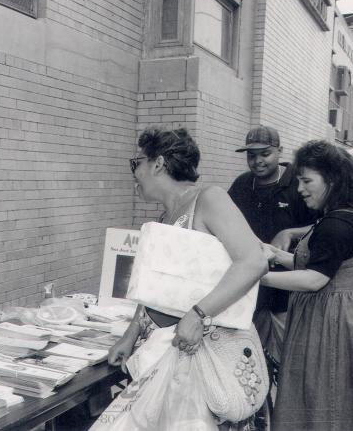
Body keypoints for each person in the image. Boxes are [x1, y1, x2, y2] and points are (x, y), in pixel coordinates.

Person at [103, 127, 267, 429]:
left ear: (158, 163)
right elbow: (156, 290)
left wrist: (198, 313)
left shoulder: (209, 199)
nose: (134, 173)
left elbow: (253, 261)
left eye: (136, 163)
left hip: (200, 351)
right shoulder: (166, 217)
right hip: (169, 352)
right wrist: (130, 334)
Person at [262, 140, 353, 430]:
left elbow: (315, 279)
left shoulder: (336, 224)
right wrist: (275, 254)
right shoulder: (334, 218)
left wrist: (254, 276)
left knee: (322, 393)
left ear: (333, 179)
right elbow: (315, 265)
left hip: (329, 326)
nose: (300, 189)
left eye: (306, 181)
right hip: (323, 319)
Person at [228, 125, 315, 374]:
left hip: (288, 294)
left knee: (288, 366)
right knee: (248, 365)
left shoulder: (298, 183)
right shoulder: (242, 185)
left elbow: (326, 224)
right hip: (249, 290)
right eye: (251, 155)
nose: (257, 161)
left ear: (280, 151)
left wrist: (289, 232)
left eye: (264, 154)